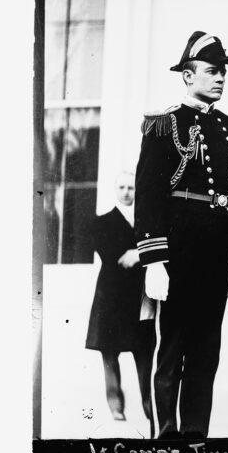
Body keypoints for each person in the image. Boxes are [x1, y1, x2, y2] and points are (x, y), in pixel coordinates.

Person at [135, 31, 228, 439]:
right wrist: (154, 261)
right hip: (179, 254)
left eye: (223, 72)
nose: (220, 78)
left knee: (206, 354)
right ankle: (166, 436)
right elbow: (148, 196)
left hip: (217, 256)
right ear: (187, 76)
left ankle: (194, 436)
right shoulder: (163, 126)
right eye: (212, 71)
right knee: (173, 351)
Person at [84, 171, 154, 426]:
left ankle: (150, 405)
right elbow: (114, 257)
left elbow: (147, 253)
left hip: (139, 295)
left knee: (144, 352)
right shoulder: (101, 222)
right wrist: (139, 254)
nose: (127, 192)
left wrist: (137, 254)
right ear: (115, 190)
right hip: (111, 297)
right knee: (109, 352)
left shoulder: (146, 221)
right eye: (122, 187)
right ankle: (115, 405)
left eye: (131, 188)